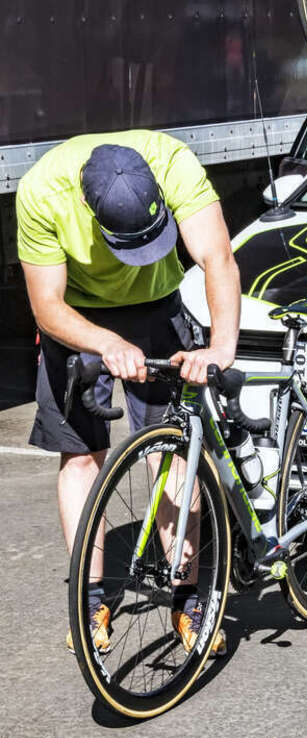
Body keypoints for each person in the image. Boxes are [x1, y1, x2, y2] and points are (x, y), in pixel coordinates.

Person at [16, 130, 241, 656]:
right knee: (80, 456)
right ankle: (90, 601)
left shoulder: (173, 162)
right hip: (77, 317)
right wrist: (106, 342)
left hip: (158, 306)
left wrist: (220, 348)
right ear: (87, 208)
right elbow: (46, 306)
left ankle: (188, 597)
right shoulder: (42, 191)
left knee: (173, 451)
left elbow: (218, 259)